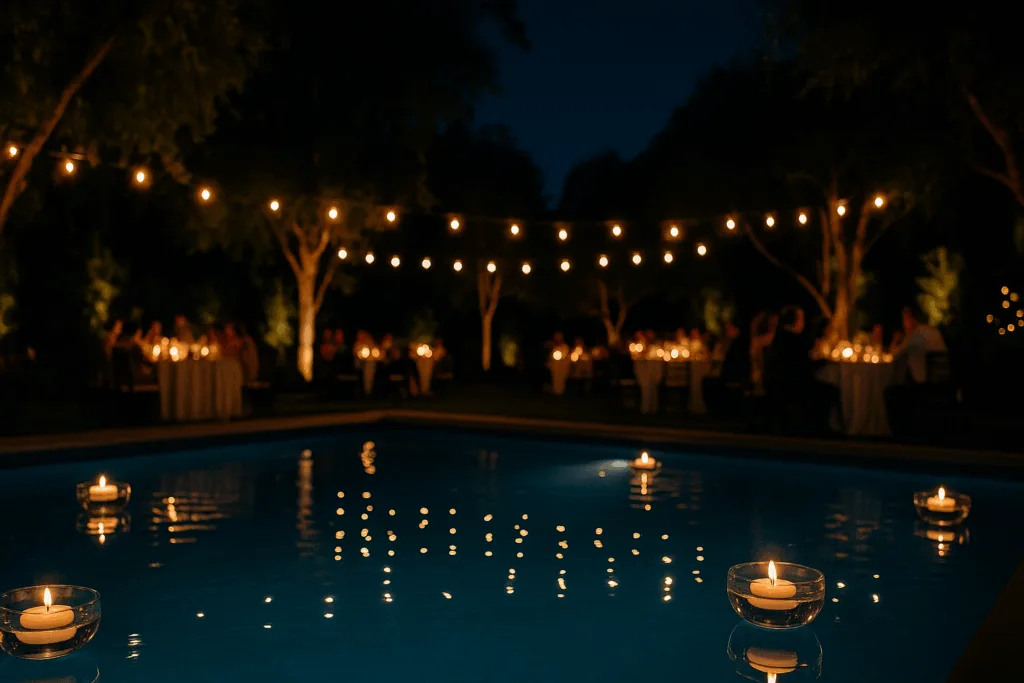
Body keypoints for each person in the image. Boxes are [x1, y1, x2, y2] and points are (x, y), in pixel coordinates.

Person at [892, 305, 946, 383]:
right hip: (942, 382)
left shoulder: (915, 334)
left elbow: (894, 355)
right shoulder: (935, 331)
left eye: (905, 319)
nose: (904, 324)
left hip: (923, 384)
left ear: (911, 319)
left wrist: (895, 340)